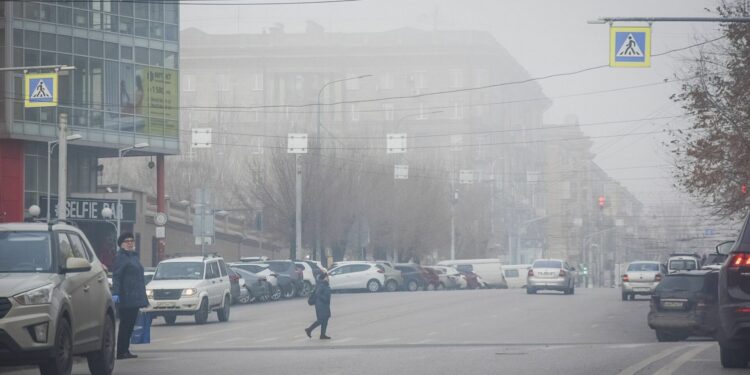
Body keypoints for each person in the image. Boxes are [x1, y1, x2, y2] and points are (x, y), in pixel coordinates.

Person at [111, 232, 148, 359]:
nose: (130, 243)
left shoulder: (134, 257)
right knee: (125, 324)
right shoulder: (121, 258)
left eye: (132, 240)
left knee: (130, 324)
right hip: (126, 297)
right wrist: (115, 294)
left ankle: (125, 350)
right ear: (121, 244)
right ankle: (121, 351)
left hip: (135, 297)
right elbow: (116, 277)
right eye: (127, 241)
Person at [305, 272, 332, 340]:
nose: (328, 278)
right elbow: (317, 293)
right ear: (324, 278)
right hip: (321, 305)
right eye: (327, 277)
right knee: (321, 320)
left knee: (325, 319)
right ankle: (309, 329)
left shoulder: (324, 284)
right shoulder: (321, 285)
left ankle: (322, 335)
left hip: (324, 304)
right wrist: (324, 298)